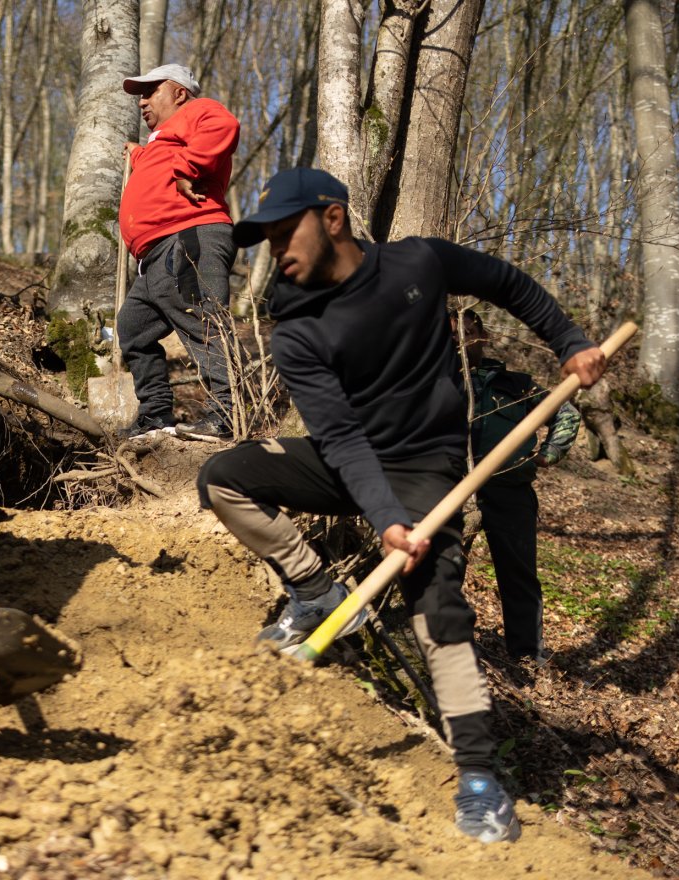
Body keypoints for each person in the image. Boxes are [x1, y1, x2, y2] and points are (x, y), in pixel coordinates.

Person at [196, 167, 607, 844]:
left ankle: (479, 779)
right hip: (349, 463)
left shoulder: (421, 262)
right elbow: (341, 437)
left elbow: (509, 285)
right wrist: (385, 517)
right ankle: (316, 592)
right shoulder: (295, 325)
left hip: (428, 470)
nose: (275, 251)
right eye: (264, 239)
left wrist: (569, 342)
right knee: (222, 477)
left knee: (438, 602)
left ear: (333, 219)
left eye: (283, 231)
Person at [117, 63, 241, 439]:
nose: (142, 102)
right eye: (140, 94)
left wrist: (189, 168)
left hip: (189, 237)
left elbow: (226, 128)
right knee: (133, 327)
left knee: (203, 322)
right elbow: (160, 165)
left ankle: (225, 416)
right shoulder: (163, 139)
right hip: (155, 254)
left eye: (151, 91)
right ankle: (155, 414)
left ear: (179, 93)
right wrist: (138, 154)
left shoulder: (200, 112)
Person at [452, 308, 581, 665]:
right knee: (446, 569)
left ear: (482, 336)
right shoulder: (439, 381)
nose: (461, 339)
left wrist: (550, 452)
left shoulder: (517, 385)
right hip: (453, 493)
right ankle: (449, 644)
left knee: (519, 575)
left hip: (510, 492)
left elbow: (566, 412)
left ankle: (527, 654)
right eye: (453, 333)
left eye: (468, 331)